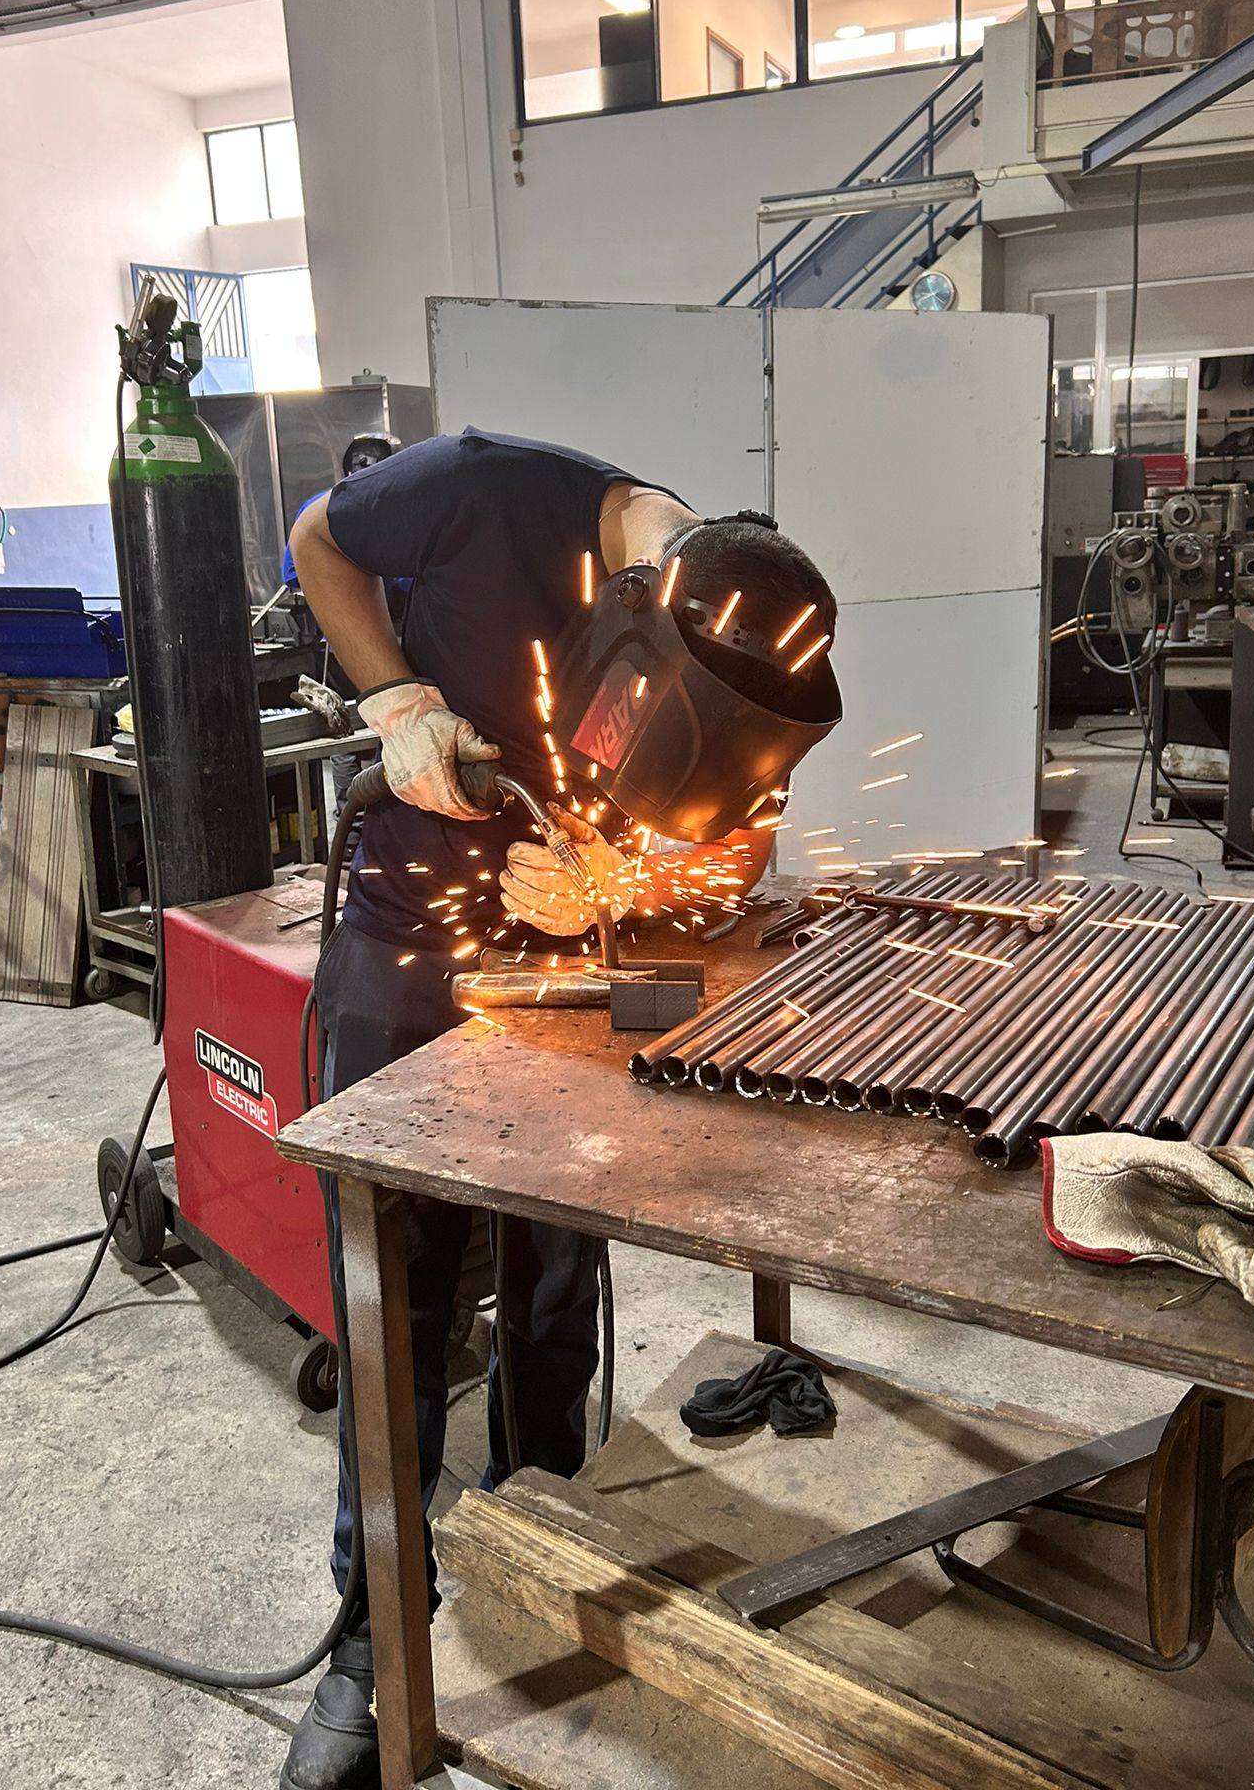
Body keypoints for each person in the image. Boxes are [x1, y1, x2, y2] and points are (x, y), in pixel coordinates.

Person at [283, 427, 838, 1790]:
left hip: (565, 969)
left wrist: (640, 891)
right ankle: (378, 1619)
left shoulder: (748, 633)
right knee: (393, 1277)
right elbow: (317, 543)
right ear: (629, 614)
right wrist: (399, 699)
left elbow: (735, 844)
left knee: (553, 1262)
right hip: (409, 929)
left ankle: (543, 1517)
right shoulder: (481, 487)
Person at [284, 434, 408, 817]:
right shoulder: (327, 511)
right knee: (367, 728)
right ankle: (357, 824)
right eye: (363, 466)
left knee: (370, 729)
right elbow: (295, 573)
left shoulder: (385, 509)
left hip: (372, 637)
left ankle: (363, 820)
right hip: (355, 642)